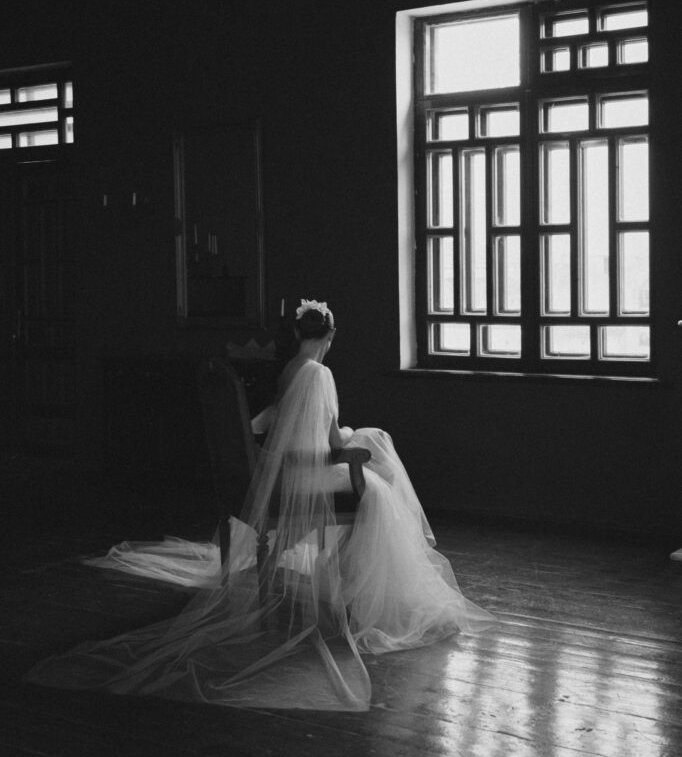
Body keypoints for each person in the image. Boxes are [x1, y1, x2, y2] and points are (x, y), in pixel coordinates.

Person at [25, 300, 496, 711]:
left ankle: (349, 577)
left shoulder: (290, 368)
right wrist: (353, 442)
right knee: (377, 485)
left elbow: (269, 423)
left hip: (274, 470)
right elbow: (331, 443)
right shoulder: (320, 372)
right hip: (303, 473)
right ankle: (365, 590)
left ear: (297, 334)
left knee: (372, 446)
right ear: (329, 336)